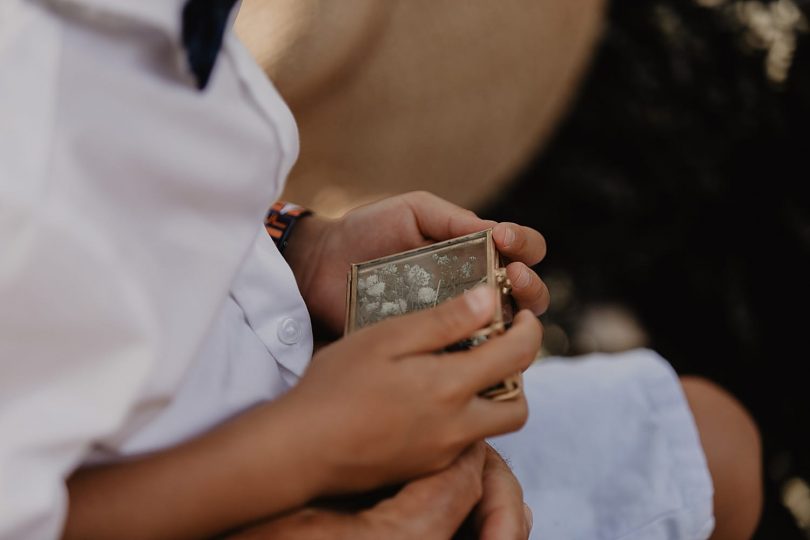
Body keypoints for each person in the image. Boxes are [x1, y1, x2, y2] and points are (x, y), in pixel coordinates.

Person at [0, 1, 761, 539]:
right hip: (223, 492)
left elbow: (152, 199)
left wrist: (298, 245)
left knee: (716, 444)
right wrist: (308, 449)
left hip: (285, 392)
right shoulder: (28, 108)